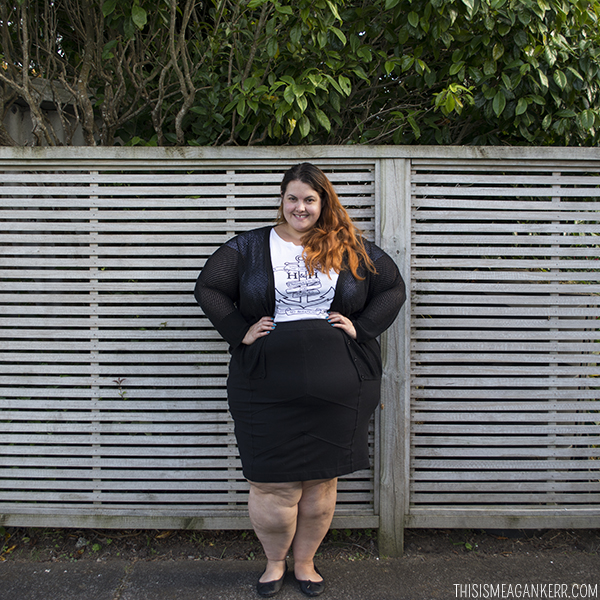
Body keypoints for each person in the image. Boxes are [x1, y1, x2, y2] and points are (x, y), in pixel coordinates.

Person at [194, 163, 405, 597]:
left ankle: (305, 563)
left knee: (322, 479)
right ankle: (274, 564)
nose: (300, 207)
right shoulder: (250, 247)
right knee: (271, 481)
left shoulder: (348, 246)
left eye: (310, 199)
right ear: (282, 201)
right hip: (265, 384)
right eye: (292, 198)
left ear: (322, 203)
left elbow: (393, 289)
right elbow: (208, 288)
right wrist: (239, 330)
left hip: (339, 382)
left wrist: (361, 328)